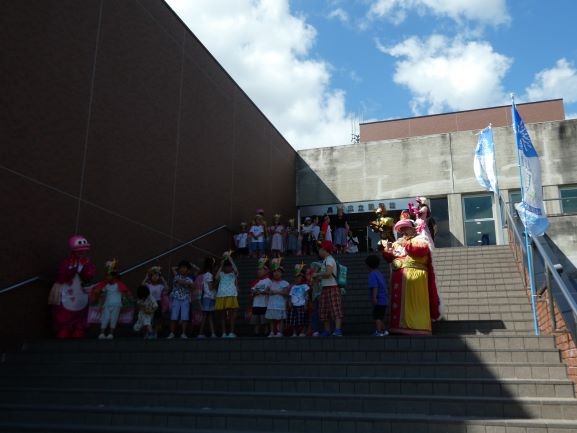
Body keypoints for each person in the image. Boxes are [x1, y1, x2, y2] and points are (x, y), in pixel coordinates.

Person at [382, 220, 441, 336]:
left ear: (413, 228)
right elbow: (389, 258)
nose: (403, 231)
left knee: (414, 303)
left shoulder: (420, 239)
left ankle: (416, 327)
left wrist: (406, 245)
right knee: (398, 304)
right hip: (398, 278)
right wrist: (388, 250)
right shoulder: (397, 243)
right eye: (401, 229)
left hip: (415, 279)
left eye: (405, 228)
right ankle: (397, 327)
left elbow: (421, 251)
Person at [48, 235, 96, 339]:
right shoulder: (67, 262)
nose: (82, 252)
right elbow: (62, 275)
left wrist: (84, 268)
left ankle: (79, 329)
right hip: (67, 291)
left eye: (83, 250)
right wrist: (73, 268)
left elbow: (89, 276)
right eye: (79, 250)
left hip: (81, 292)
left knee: (81, 312)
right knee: (64, 312)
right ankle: (64, 329)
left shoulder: (87, 263)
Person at [91, 259, 133, 340]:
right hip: (107, 304)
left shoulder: (119, 284)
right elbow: (99, 292)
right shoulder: (106, 285)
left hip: (117, 305)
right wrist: (97, 295)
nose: (108, 277)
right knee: (105, 318)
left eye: (109, 275)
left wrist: (130, 299)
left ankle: (111, 334)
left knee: (113, 319)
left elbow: (126, 292)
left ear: (114, 276)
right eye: (107, 275)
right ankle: (102, 333)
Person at [315, 240, 343, 337]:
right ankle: (327, 330)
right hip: (325, 288)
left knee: (335, 309)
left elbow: (328, 273)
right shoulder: (325, 261)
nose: (319, 251)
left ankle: (338, 330)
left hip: (332, 287)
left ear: (324, 249)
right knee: (324, 310)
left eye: (320, 249)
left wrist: (316, 274)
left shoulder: (329, 259)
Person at [215, 252, 239, 338]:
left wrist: (230, 259)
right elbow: (216, 278)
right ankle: (224, 333)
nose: (227, 267)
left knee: (232, 314)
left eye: (228, 266)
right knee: (222, 315)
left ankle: (231, 332)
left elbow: (235, 270)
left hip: (231, 294)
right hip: (222, 295)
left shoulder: (233, 274)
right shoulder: (221, 274)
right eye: (225, 266)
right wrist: (221, 266)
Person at [167, 260, 194, 339]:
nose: (182, 269)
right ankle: (172, 333)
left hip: (185, 299)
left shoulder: (190, 279)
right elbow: (180, 282)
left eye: (184, 268)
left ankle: (183, 333)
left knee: (185, 317)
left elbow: (193, 286)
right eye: (181, 268)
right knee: (173, 316)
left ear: (188, 270)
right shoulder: (177, 277)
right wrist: (188, 284)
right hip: (176, 298)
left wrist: (189, 284)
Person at [365, 255, 389, 337]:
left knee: (377, 316)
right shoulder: (379, 274)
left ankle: (379, 331)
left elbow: (375, 287)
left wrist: (374, 297)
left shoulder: (372, 274)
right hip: (384, 299)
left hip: (379, 299)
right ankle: (384, 330)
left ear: (368, 265)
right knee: (381, 316)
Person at [265, 259, 289, 337]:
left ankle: (279, 332)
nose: (276, 273)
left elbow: (286, 293)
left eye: (278, 271)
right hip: (271, 304)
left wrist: (277, 292)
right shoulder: (270, 282)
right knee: (271, 319)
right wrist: (269, 292)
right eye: (275, 271)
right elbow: (266, 291)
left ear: (282, 273)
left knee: (280, 319)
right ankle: (271, 331)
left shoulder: (284, 283)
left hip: (280, 304)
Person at [142, 266, 168, 337]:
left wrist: (163, 279)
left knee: (157, 319)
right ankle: (147, 333)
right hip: (149, 303)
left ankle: (155, 333)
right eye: (153, 275)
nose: (155, 277)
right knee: (149, 319)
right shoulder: (148, 285)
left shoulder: (160, 286)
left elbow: (167, 288)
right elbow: (142, 285)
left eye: (157, 275)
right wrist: (146, 277)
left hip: (157, 303)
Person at [249, 257, 271, 336]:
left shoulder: (269, 281)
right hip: (255, 304)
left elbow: (269, 291)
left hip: (264, 304)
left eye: (261, 269)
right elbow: (252, 291)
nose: (258, 271)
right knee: (256, 321)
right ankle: (256, 333)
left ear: (266, 270)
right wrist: (255, 292)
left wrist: (262, 292)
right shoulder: (256, 281)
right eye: (258, 270)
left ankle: (266, 332)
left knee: (264, 321)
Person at [288, 264, 310, 337]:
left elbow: (307, 295)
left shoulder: (305, 286)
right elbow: (290, 296)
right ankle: (294, 332)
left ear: (303, 278)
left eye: (299, 277)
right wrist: (289, 302)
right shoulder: (293, 287)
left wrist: (306, 304)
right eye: (296, 277)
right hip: (294, 306)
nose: (297, 279)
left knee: (302, 320)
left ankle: (302, 331)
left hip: (301, 305)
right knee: (293, 320)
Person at [198, 257, 217, 338]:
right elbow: (210, 287)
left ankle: (212, 333)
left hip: (208, 297)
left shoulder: (204, 274)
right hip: (209, 297)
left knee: (208, 316)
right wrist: (217, 282)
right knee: (206, 316)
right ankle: (200, 333)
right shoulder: (209, 275)